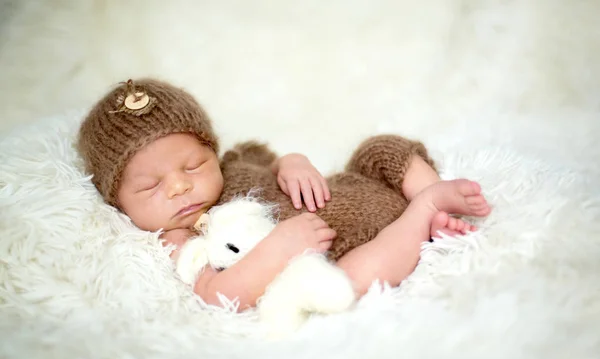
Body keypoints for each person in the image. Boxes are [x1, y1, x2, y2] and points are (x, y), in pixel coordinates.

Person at [77, 78, 491, 310]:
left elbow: (276, 160)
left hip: (351, 186)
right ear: (117, 200)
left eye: (193, 165)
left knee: (380, 148)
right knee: (349, 280)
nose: (181, 185)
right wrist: (279, 249)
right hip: (342, 249)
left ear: (212, 150)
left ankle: (426, 192)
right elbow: (215, 293)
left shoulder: (235, 164)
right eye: (151, 186)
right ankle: (424, 213)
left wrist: (294, 163)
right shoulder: (179, 238)